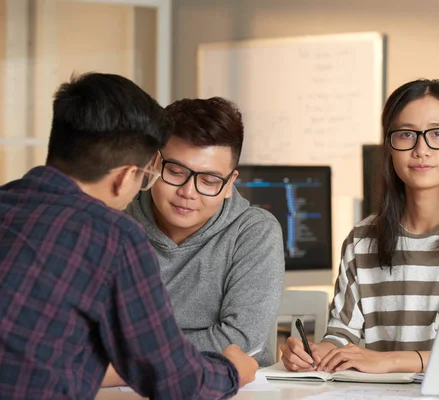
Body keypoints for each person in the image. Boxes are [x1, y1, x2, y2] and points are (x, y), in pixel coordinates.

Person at [0, 73, 257, 400]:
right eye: (158, 173)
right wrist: (229, 370)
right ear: (125, 177)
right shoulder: (114, 236)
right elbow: (173, 381)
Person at [281, 78, 439, 374]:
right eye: (407, 135)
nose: (421, 149)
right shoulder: (361, 239)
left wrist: (391, 360)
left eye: (437, 134)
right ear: (390, 147)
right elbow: (342, 335)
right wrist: (318, 352)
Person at [102, 97, 285, 386]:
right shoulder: (114, 226)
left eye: (210, 181)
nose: (188, 192)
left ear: (230, 184)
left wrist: (128, 356)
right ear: (153, 162)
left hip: (227, 389)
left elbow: (239, 341)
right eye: (175, 171)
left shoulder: (254, 231)